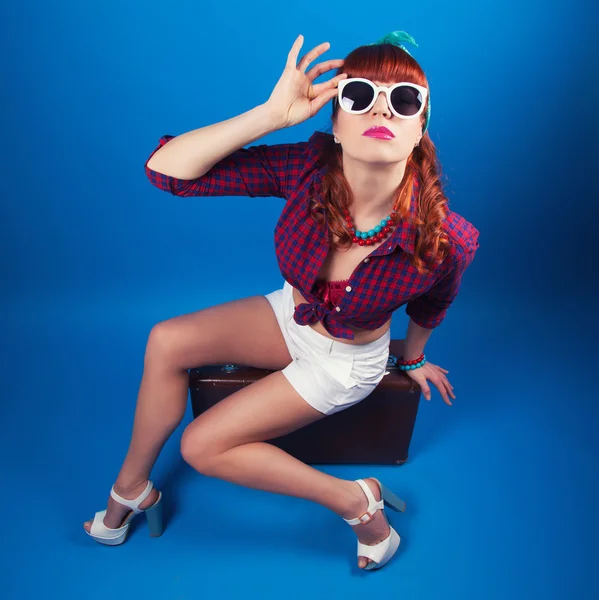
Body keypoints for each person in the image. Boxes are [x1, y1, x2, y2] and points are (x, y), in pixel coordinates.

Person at [83, 30, 479, 571]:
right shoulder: (309, 170)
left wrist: (411, 358)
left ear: (419, 130)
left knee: (202, 447)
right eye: (359, 95)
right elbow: (166, 172)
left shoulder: (446, 237)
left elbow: (433, 303)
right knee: (166, 340)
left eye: (404, 100)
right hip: (290, 315)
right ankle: (132, 488)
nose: (381, 108)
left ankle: (356, 502)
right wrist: (269, 116)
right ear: (336, 123)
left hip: (344, 362)